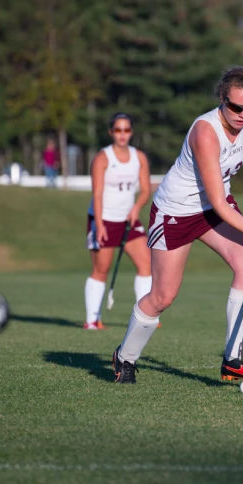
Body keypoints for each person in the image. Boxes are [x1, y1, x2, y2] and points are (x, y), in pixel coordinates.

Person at [109, 66, 243, 384]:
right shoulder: (205, 132)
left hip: (214, 209)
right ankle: (125, 358)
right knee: (163, 296)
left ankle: (234, 360)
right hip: (176, 213)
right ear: (221, 100)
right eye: (236, 107)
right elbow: (217, 202)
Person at [84, 113, 153, 330]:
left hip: (128, 220)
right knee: (101, 269)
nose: (122, 134)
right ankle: (92, 320)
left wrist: (135, 208)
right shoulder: (103, 158)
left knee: (147, 264)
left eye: (126, 130)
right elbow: (97, 194)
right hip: (104, 218)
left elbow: (145, 190)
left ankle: (146, 316)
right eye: (117, 130)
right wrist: (100, 225)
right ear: (111, 132)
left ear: (131, 132)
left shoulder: (139, 157)